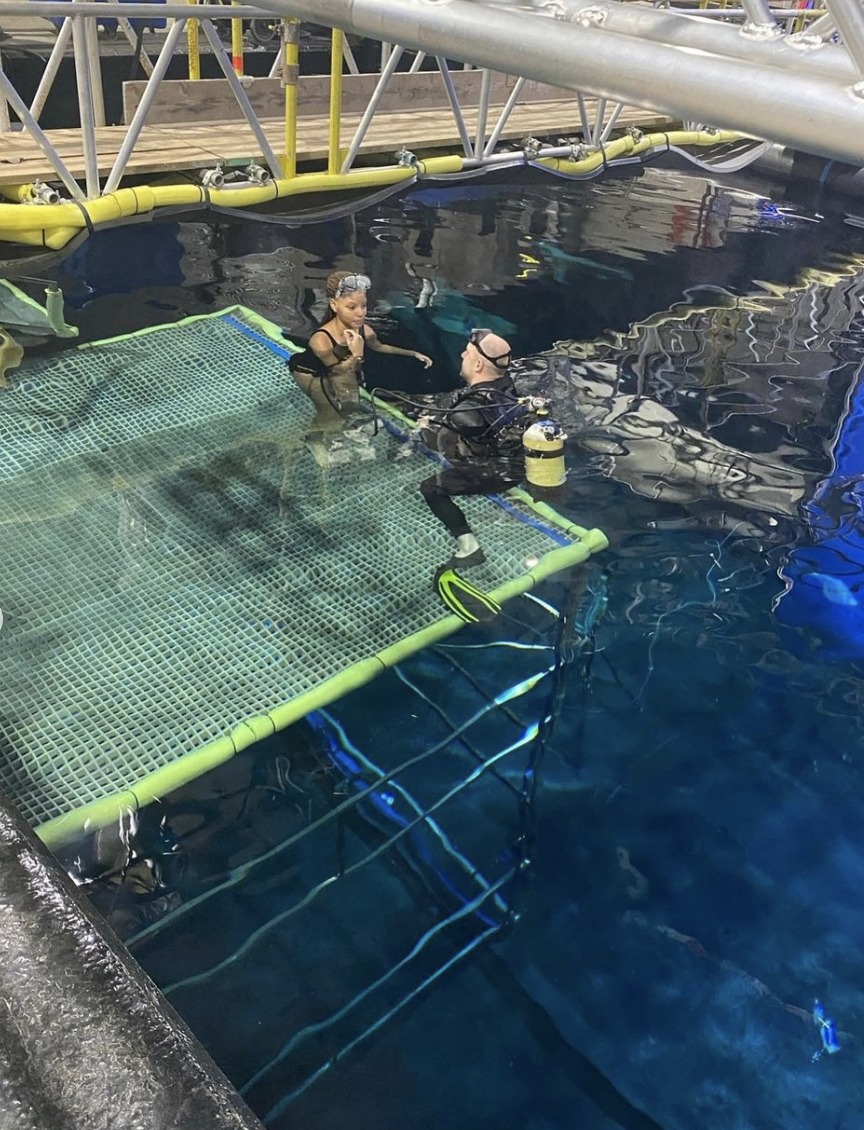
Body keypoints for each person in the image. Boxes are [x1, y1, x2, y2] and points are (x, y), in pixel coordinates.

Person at [418, 328, 523, 569]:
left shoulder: (465, 414)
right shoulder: (507, 387)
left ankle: (469, 547)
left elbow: (438, 445)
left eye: (466, 353)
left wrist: (424, 430)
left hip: (499, 473)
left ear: (477, 366)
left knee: (431, 489)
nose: (462, 356)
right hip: (520, 461)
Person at [288, 270, 432, 432]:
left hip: (341, 366)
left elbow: (379, 346)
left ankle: (341, 433)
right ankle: (314, 440)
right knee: (329, 413)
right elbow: (335, 373)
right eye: (352, 307)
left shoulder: (365, 330)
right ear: (334, 306)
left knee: (351, 406)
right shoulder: (321, 340)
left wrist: (413, 353)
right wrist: (356, 354)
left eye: (363, 306)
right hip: (309, 372)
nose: (360, 313)